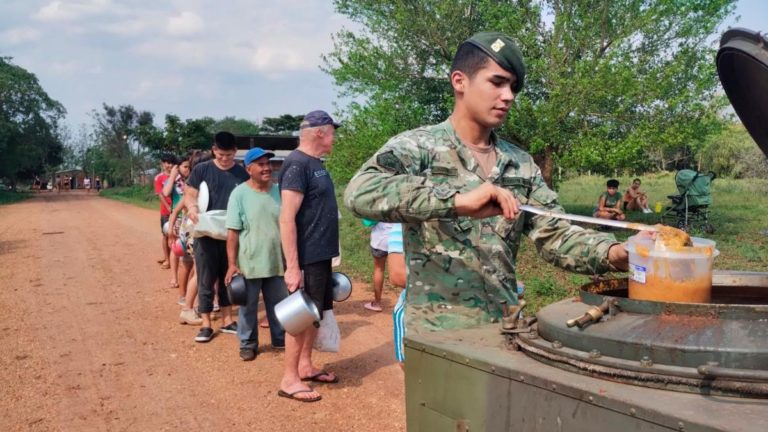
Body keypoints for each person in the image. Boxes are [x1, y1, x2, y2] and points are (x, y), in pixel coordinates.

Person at [344, 32, 635, 337]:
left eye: (513, 87)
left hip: (505, 330)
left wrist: (616, 252)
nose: (508, 95)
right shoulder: (418, 147)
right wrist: (456, 201)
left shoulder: (520, 162)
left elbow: (555, 234)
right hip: (438, 336)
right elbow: (360, 191)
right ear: (460, 81)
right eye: (497, 82)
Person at [278, 110, 341, 403]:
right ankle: (289, 379)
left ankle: (304, 366)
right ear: (320, 132)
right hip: (306, 257)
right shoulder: (296, 164)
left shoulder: (315, 164)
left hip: (321, 255)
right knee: (301, 317)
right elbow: (286, 218)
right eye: (333, 131)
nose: (335, 137)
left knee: (314, 316)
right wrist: (292, 267)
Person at [184, 132, 249, 343]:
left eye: (228, 155)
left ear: (235, 152)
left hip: (231, 234)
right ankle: (205, 324)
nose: (224, 158)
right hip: (205, 233)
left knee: (228, 278)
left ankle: (227, 320)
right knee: (205, 277)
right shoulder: (202, 170)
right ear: (214, 150)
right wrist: (192, 208)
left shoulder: (241, 174)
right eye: (220, 154)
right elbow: (190, 194)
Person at [225, 147, 288, 361]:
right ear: (248, 168)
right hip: (249, 263)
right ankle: (248, 344)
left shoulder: (280, 191)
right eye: (261, 164)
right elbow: (232, 233)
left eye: (268, 164)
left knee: (280, 305)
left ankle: (280, 339)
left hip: (277, 261)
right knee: (248, 307)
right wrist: (232, 264)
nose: (267, 168)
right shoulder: (239, 194)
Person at [364, 222, 396, 312]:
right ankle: (405, 302)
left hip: (380, 238)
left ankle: (377, 303)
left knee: (379, 269)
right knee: (402, 269)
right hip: (398, 236)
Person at [154, 153, 176, 269]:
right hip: (166, 211)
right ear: (162, 164)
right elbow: (160, 194)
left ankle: (175, 258)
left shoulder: (177, 176)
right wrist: (168, 208)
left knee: (176, 235)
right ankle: (167, 259)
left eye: (172, 163)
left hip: (177, 210)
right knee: (166, 234)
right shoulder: (159, 178)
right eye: (167, 163)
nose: (170, 165)